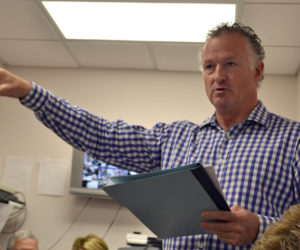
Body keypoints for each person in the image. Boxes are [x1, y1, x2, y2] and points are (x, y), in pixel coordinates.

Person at [0, 22, 299, 249]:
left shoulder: (293, 139)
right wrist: (30, 93)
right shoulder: (175, 138)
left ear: (258, 71)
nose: (218, 75)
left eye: (230, 64)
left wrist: (261, 229)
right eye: (209, 66)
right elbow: (102, 135)